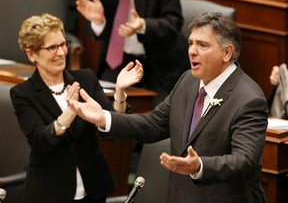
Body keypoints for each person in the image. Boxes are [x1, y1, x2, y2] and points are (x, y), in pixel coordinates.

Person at [67, 12, 268, 203]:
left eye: (202, 45)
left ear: (227, 52)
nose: (192, 51)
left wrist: (200, 166)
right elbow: (153, 124)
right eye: (190, 43)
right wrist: (104, 117)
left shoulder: (248, 99)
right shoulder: (188, 80)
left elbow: (245, 160)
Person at [10, 13, 143, 203]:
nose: (62, 52)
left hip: (93, 188)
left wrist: (120, 91)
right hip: (50, 192)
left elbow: (113, 123)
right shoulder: (23, 93)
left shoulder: (86, 78)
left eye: (63, 44)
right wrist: (70, 113)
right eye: (52, 48)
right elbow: (40, 140)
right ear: (32, 54)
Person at [76, 0, 190, 106]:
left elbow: (174, 22)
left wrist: (143, 26)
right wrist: (98, 22)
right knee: (102, 104)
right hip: (121, 60)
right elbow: (90, 28)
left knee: (160, 113)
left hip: (163, 62)